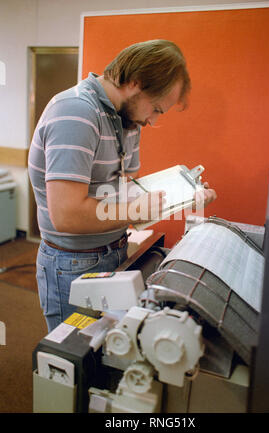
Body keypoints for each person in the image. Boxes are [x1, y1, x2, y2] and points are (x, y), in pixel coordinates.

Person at [28, 39, 217, 332]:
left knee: (110, 352)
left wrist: (182, 196)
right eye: (156, 109)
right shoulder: (77, 113)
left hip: (115, 250)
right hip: (73, 264)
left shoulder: (126, 119)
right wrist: (134, 211)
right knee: (76, 360)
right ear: (135, 83)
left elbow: (124, 191)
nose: (152, 121)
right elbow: (67, 215)